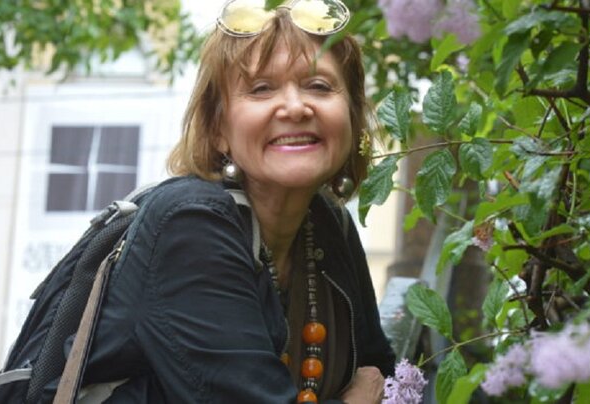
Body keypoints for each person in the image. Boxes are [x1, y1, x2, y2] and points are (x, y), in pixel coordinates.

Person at [40, 0, 396, 403]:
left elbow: (381, 370)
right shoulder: (191, 225)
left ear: (351, 116)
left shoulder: (326, 222)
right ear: (217, 130)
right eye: (261, 89)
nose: (296, 107)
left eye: (319, 86)